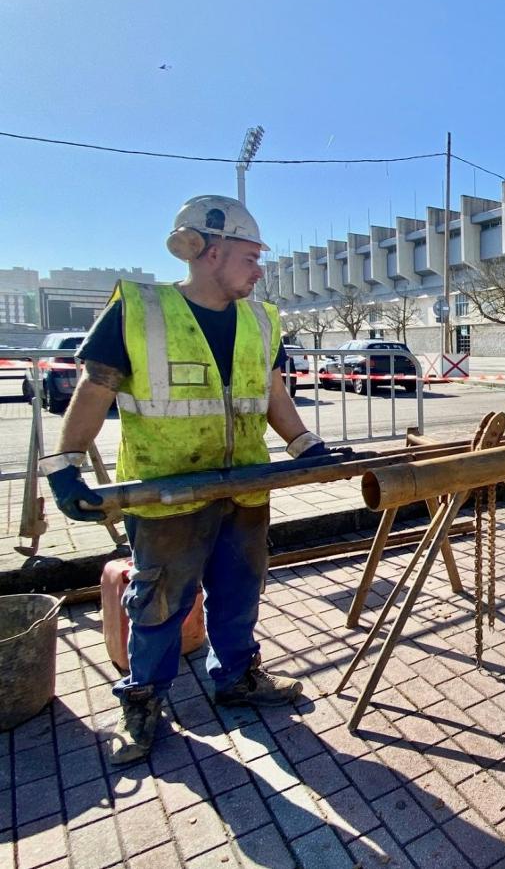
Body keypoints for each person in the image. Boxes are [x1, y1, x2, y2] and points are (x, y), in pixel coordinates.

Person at [41, 195, 342, 765]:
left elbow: (273, 392)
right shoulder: (141, 309)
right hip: (165, 492)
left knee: (238, 593)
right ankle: (142, 702)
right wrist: (66, 465)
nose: (259, 270)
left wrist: (306, 445)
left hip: (243, 487)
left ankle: (236, 679)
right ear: (207, 249)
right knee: (158, 604)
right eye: (250, 257)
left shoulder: (262, 318)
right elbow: (95, 388)